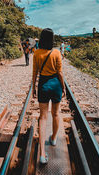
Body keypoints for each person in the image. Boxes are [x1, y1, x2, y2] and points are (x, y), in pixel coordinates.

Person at [32, 28, 66, 164]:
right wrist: (63, 87)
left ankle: (41, 153)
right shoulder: (56, 52)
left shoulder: (36, 53)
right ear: (51, 39)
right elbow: (60, 73)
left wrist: (33, 87)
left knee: (43, 117)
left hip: (43, 85)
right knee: (56, 114)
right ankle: (53, 139)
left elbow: (35, 73)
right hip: (56, 84)